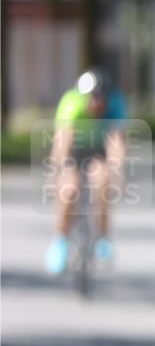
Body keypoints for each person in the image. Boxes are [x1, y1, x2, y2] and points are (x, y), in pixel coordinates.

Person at [45, 69, 128, 275]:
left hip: (99, 151)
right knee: (69, 189)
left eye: (101, 100)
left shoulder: (116, 103)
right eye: (92, 100)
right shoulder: (72, 103)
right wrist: (56, 171)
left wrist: (117, 172)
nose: (97, 105)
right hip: (76, 149)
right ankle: (60, 240)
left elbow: (116, 142)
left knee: (102, 181)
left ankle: (103, 237)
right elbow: (63, 142)